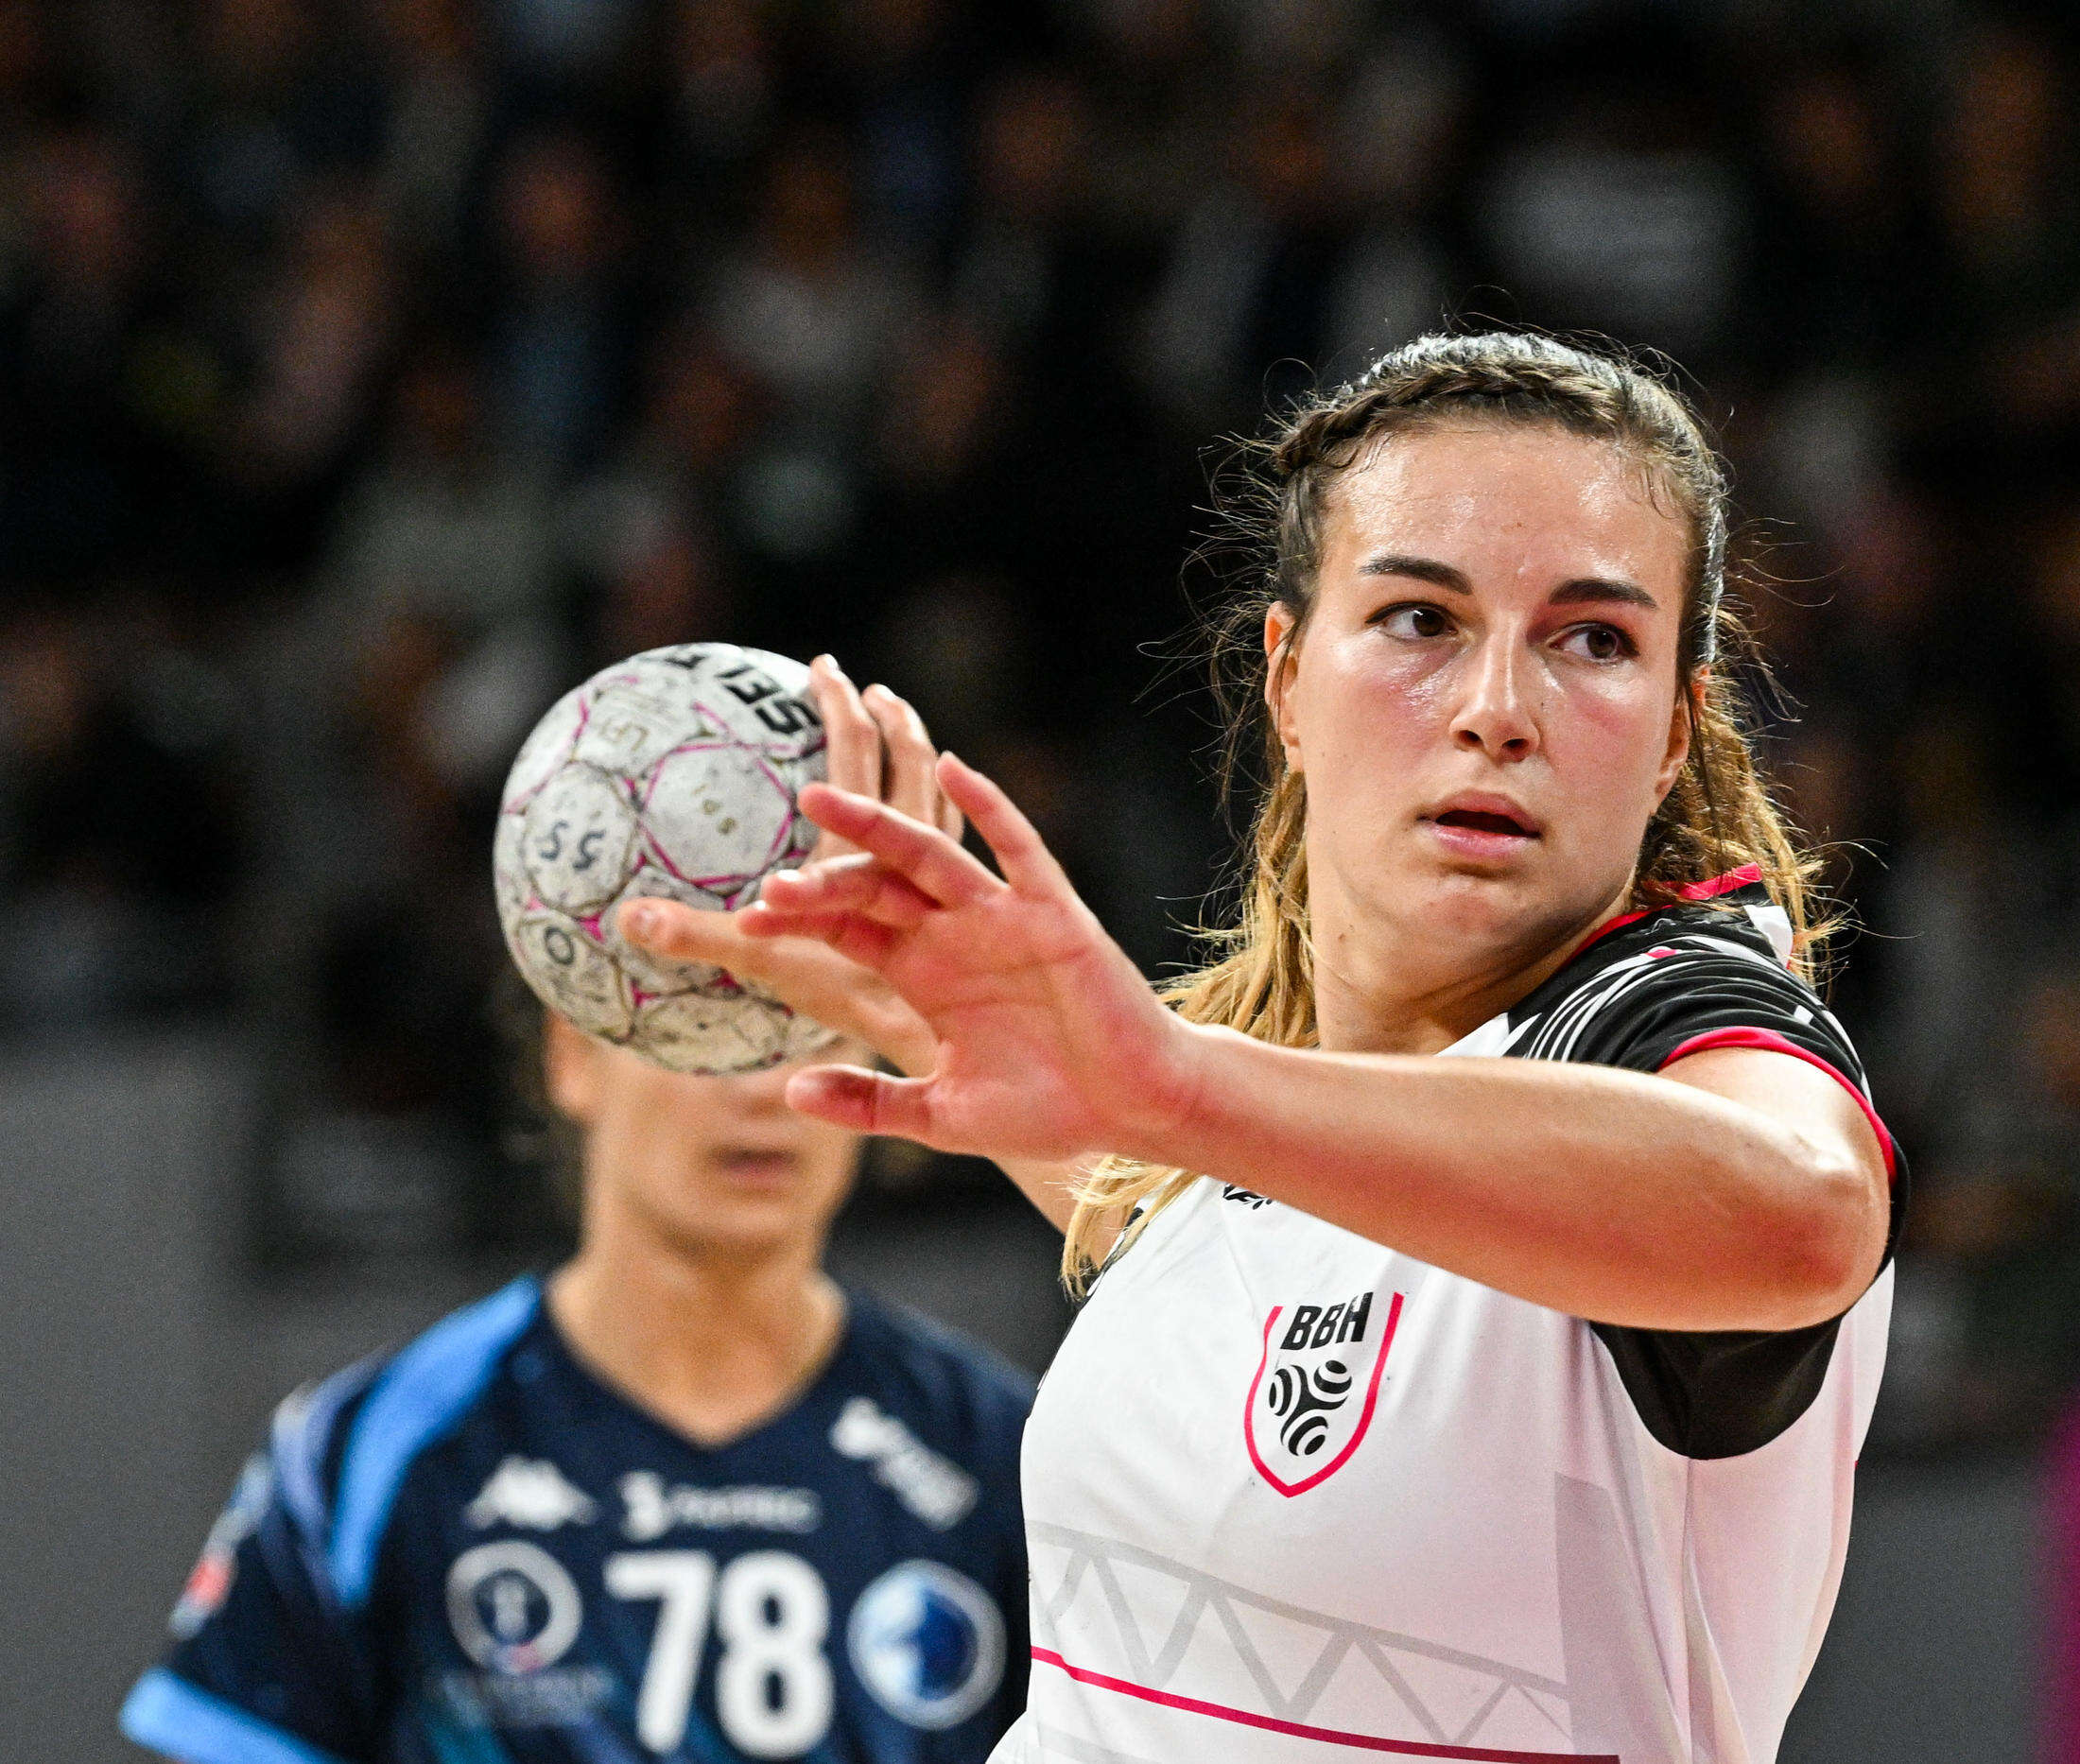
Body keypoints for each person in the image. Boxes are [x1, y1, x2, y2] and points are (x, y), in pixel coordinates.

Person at [633, 332, 1901, 1762]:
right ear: (1288, 677)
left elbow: (1806, 1213)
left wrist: (1171, 1085)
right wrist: (925, 1001)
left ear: (1674, 732)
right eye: (1421, 619)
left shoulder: (1654, 1016)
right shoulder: (1268, 1118)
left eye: (1592, 639)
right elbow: (1225, 1226)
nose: (1497, 708)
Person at [120, 840, 1037, 1764]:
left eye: (815, 1032)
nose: (766, 1089)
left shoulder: (1004, 1452)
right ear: (573, 1057)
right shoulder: (364, 1454)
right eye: (706, 1031)